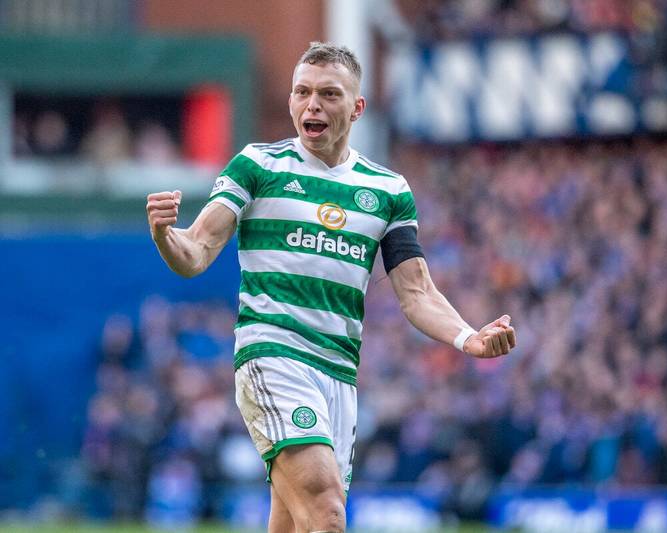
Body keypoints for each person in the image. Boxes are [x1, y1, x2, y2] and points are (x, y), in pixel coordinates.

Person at [145, 41, 516, 533]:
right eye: (302, 92)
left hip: (338, 375)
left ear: (357, 108)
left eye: (328, 94)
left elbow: (417, 293)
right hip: (273, 354)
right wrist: (164, 235)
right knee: (327, 513)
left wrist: (468, 337)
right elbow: (196, 252)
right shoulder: (258, 166)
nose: (312, 104)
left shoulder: (388, 190)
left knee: (294, 523)